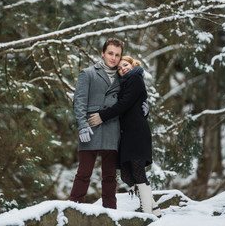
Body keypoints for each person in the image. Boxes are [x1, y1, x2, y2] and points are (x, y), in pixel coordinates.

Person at [88, 56, 162, 217]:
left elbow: (125, 104)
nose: (123, 69)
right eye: (120, 68)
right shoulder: (124, 84)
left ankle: (147, 212)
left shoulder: (135, 78)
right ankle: (154, 208)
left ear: (133, 64)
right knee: (127, 175)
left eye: (125, 65)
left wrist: (102, 116)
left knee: (137, 170)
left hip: (137, 132)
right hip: (127, 133)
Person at [69, 38, 124, 209]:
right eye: (110, 53)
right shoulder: (88, 73)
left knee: (109, 177)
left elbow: (130, 100)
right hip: (91, 128)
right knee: (84, 173)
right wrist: (82, 125)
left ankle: (110, 214)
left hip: (112, 130)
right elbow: (79, 101)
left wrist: (143, 106)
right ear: (102, 53)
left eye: (117, 55)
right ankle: (73, 210)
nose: (113, 58)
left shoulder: (123, 77)